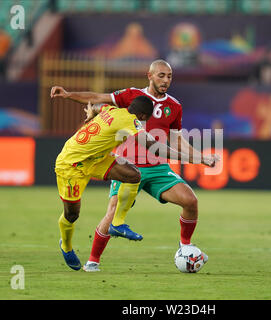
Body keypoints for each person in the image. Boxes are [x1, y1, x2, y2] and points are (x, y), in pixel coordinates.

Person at [50, 59, 219, 272]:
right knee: (104, 212)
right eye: (161, 75)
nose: (165, 80)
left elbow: (176, 139)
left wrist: (199, 155)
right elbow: (97, 98)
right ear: (149, 76)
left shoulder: (174, 106)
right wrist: (68, 95)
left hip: (157, 168)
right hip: (119, 160)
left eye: (169, 76)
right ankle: (93, 261)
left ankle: (185, 246)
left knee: (190, 200)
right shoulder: (130, 97)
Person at [55, 96, 195, 270]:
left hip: (97, 159)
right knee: (72, 215)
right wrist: (190, 157)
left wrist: (92, 110)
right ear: (143, 116)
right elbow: (155, 147)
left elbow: (100, 106)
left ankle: (117, 223)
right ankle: (66, 245)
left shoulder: (113, 110)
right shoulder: (131, 121)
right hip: (71, 165)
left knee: (133, 175)